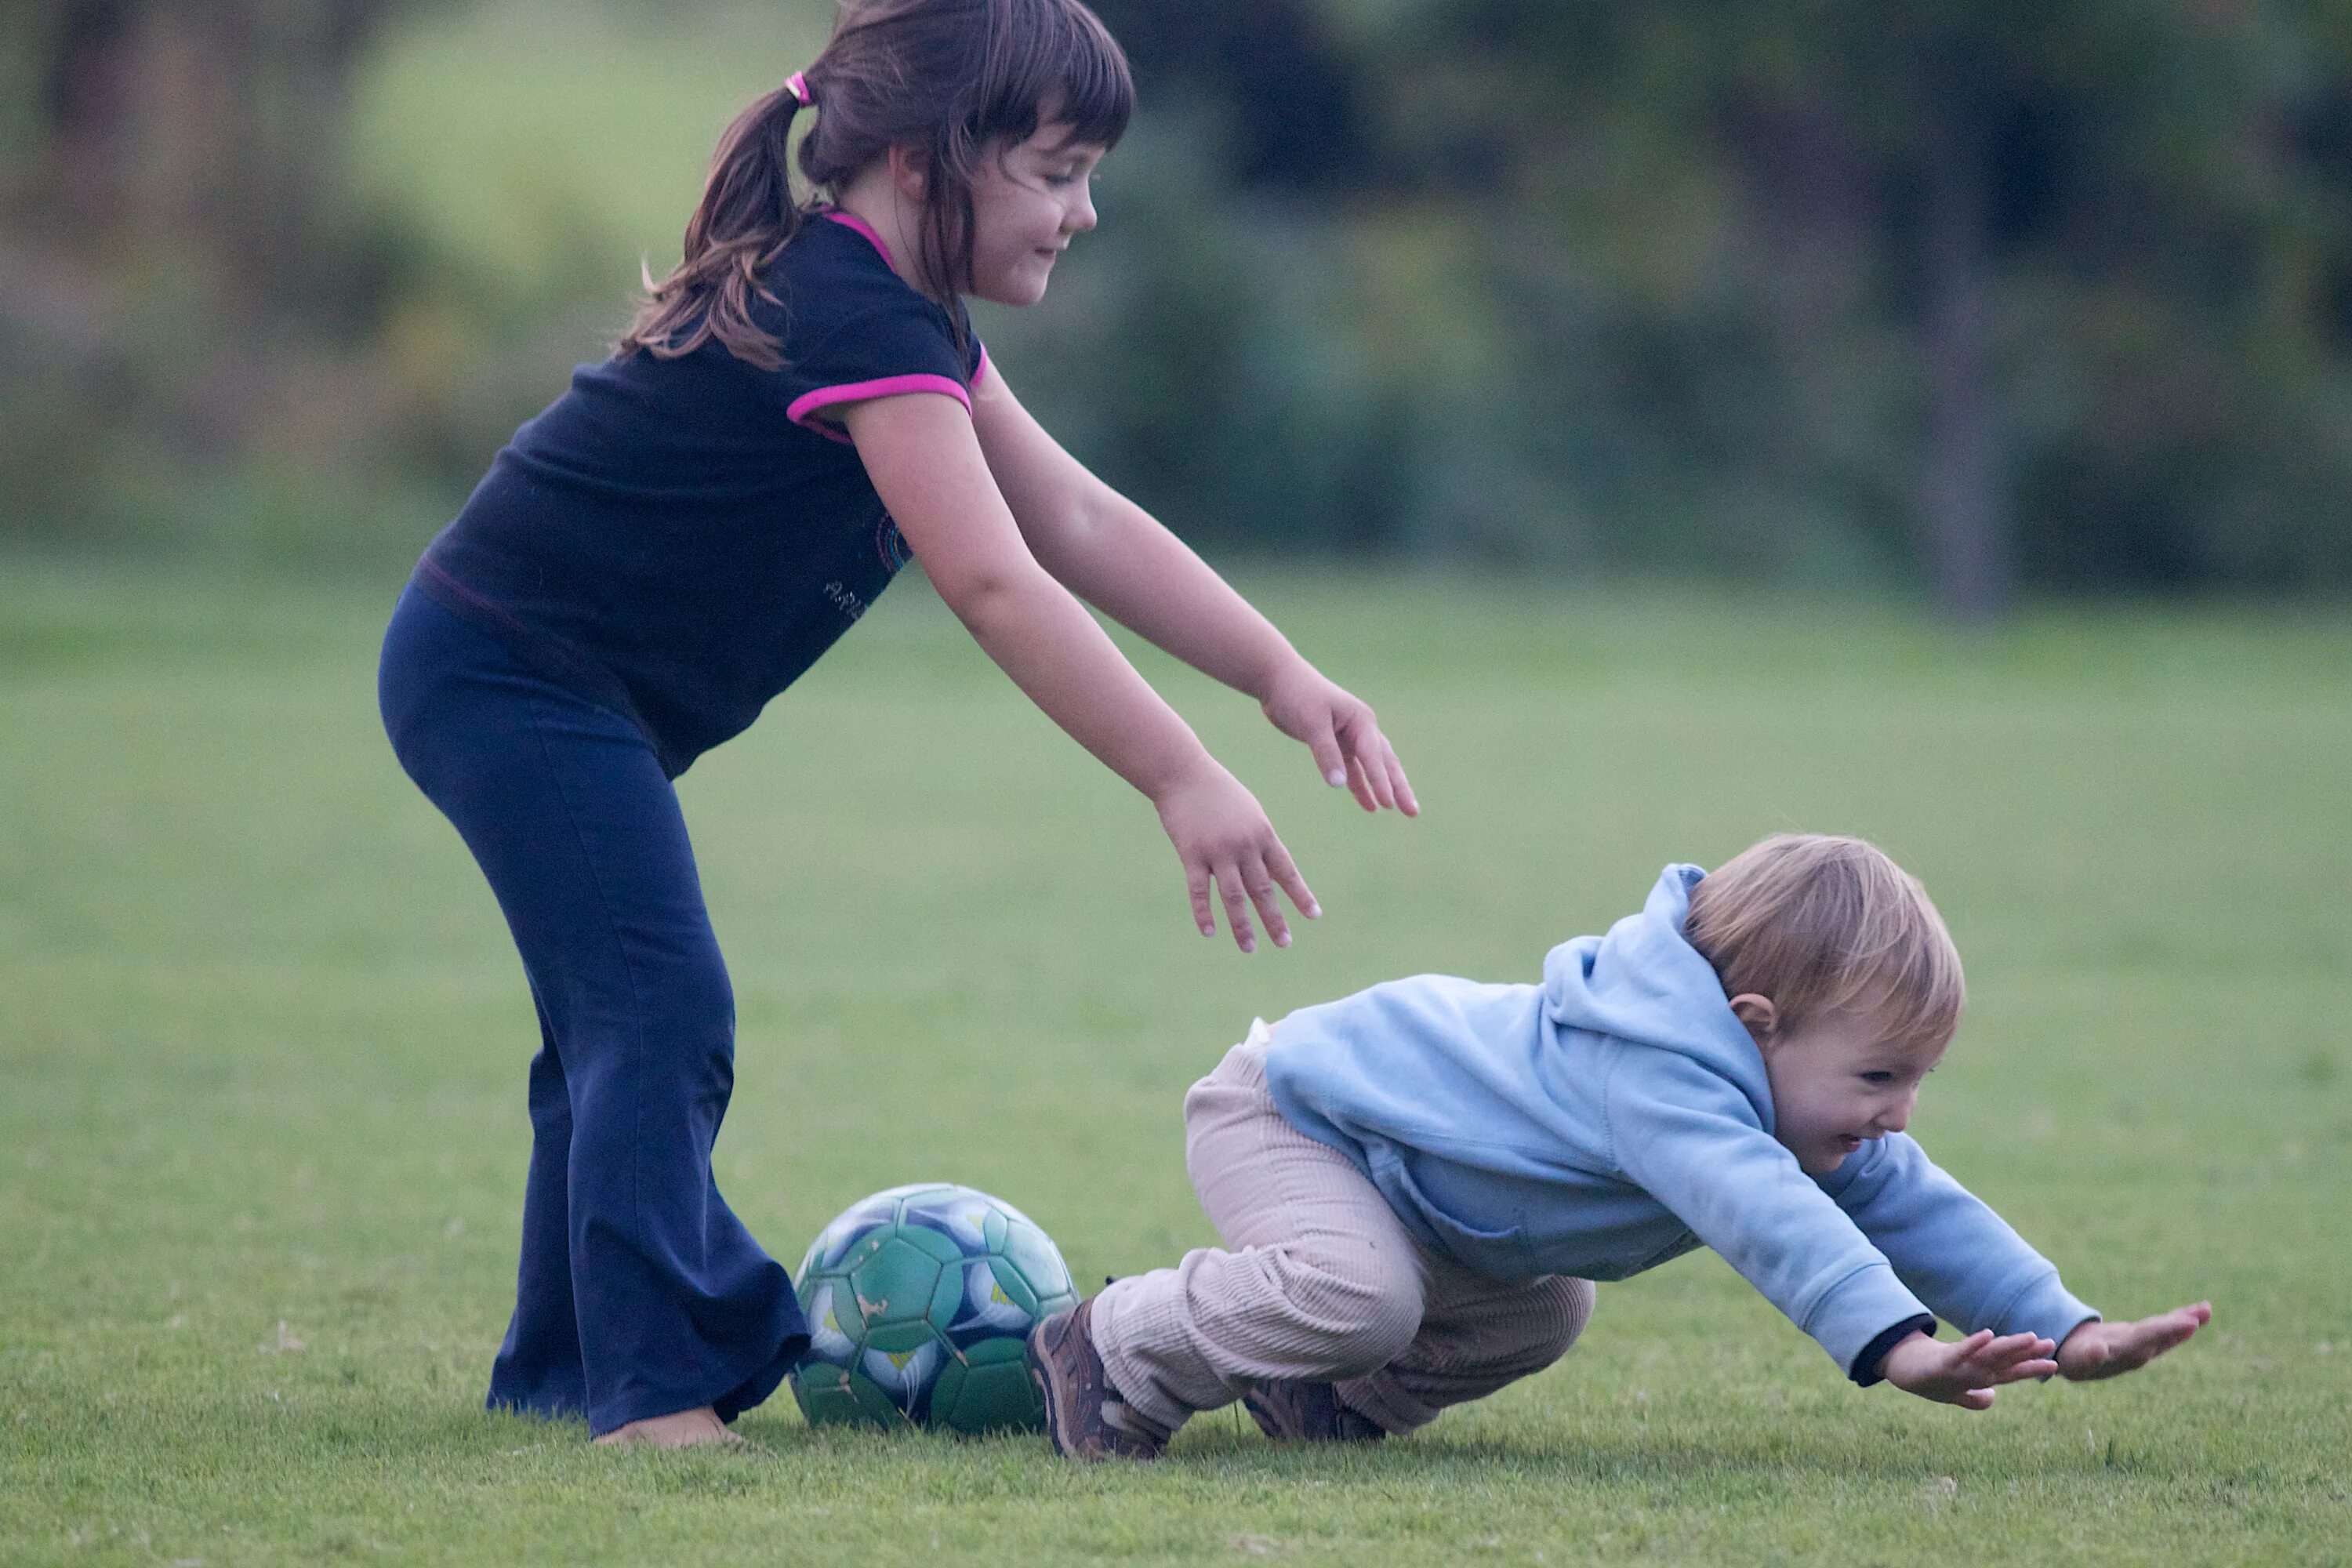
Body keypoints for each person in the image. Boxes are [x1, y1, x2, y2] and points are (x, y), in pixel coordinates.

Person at [376, 0, 1415, 1450]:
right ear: (928, 164)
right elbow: (991, 579)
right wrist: (1179, 774)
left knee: (612, 1026)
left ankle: (567, 1370)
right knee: (658, 1014)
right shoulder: (847, 306)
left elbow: (1072, 515)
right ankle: (652, 1398)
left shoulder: (895, 310)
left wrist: (1276, 674)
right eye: (1055, 171)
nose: (1087, 210)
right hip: (513, 678)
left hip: (536, 681)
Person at [1029, 834, 2209, 1460]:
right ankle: (1112, 1346)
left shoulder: (1778, 1094)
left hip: (1425, 1190)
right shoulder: (1657, 1067)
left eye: (1916, 1079)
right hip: (1294, 1111)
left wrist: (2067, 1325)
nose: (1899, 1112)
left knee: (1546, 1312)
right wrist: (1895, 1347)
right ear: (1757, 1029)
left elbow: (1910, 1202)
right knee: (1357, 1291)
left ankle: (1330, 1407)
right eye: (1878, 1077)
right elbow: (1758, 1208)